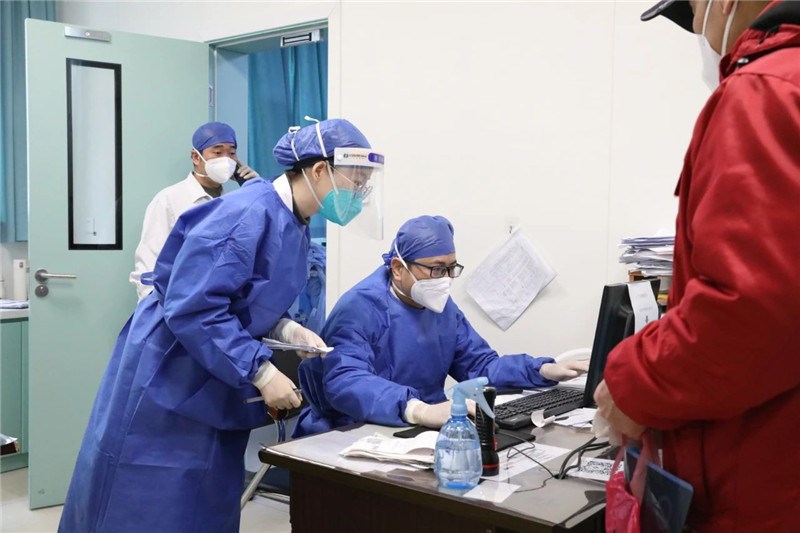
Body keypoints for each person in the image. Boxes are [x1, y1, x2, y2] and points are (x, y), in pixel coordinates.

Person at [58, 118, 384, 532]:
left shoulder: (293, 222)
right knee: (150, 499)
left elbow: (245, 296)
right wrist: (261, 371)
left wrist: (286, 330)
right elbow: (193, 307)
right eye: (356, 181)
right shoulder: (247, 213)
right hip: (171, 369)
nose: (359, 193)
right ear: (319, 170)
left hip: (217, 371)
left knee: (207, 496)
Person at [594, 1, 800, 531]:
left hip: (766, 487)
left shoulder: (765, 89)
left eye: (693, 17)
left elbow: (752, 309)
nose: (702, 39)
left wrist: (632, 381)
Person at [294, 215, 588, 437]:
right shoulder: (360, 308)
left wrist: (541, 370)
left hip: (421, 429)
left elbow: (479, 365)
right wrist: (417, 409)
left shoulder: (442, 309)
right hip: (353, 431)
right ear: (398, 268)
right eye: (436, 269)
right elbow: (346, 381)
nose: (445, 279)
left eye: (451, 268)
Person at [129, 121, 259, 300]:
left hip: (218, 302)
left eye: (232, 153)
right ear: (196, 157)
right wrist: (154, 306)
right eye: (217, 152)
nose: (226, 159)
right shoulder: (169, 200)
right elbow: (149, 263)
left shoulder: (235, 203)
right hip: (175, 302)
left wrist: (256, 188)